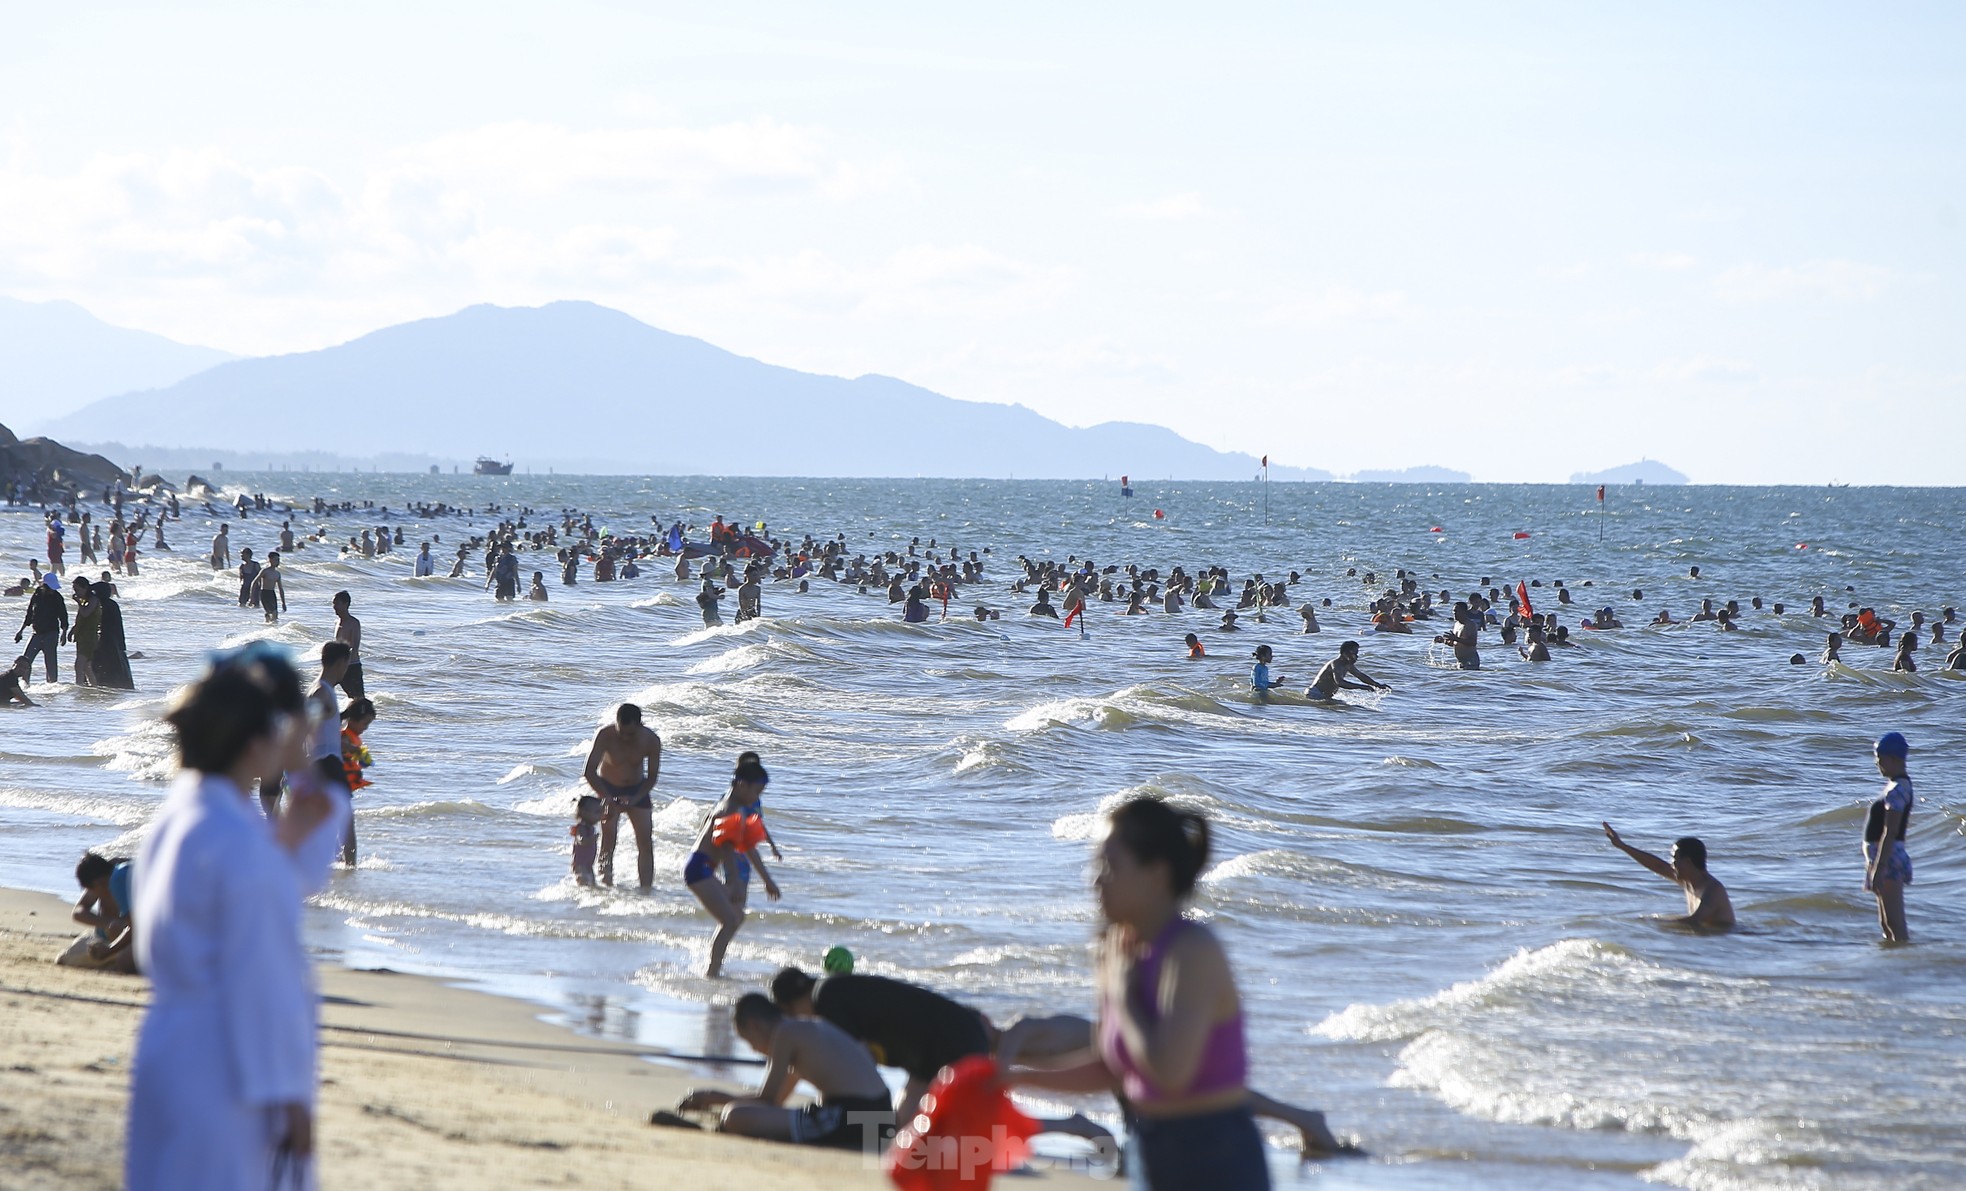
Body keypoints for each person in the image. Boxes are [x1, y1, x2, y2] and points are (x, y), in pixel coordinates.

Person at [126, 642, 349, 1191]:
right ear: (257, 743)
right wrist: (288, 1094)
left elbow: (255, 901)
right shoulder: (240, 847)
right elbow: (261, 977)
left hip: (172, 1045)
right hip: (230, 1069)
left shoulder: (185, 815)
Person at [1004, 797, 1269, 1190]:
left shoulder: (1191, 950)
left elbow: (1169, 1073)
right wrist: (1013, 1079)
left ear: (1156, 875)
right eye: (1095, 865)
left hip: (1215, 1154)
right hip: (1148, 1147)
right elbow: (1114, 1068)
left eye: (1109, 866)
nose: (1095, 880)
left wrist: (1126, 995)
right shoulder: (1115, 948)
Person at [771, 967, 993, 1129]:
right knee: (899, 1130)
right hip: (946, 1042)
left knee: (956, 1130)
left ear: (788, 1008)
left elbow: (854, 1062)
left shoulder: (826, 998)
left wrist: (773, 1101)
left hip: (953, 1040)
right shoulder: (834, 992)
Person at [674, 994, 892, 1150]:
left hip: (850, 1117)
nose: (755, 1050)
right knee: (741, 1113)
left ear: (755, 1026)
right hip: (879, 1117)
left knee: (735, 1116)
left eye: (750, 1042)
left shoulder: (785, 1033)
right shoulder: (806, 1028)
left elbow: (767, 1099)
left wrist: (711, 1097)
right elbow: (776, 1101)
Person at [683, 752, 780, 977]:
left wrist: (768, 881)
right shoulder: (729, 807)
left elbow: (748, 847)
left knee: (736, 917)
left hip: (704, 868)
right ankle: (712, 971)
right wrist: (735, 881)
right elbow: (726, 846)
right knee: (729, 920)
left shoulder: (739, 808)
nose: (756, 798)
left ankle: (714, 967)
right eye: (755, 791)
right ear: (740, 785)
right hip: (698, 868)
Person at [582, 703, 662, 890]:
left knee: (645, 842)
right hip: (608, 788)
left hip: (637, 790)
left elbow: (652, 777)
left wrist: (636, 798)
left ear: (640, 725)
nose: (625, 738)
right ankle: (605, 884)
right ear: (616, 723)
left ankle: (646, 890)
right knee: (608, 840)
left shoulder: (651, 740)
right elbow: (589, 771)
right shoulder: (605, 735)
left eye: (630, 734)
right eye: (621, 733)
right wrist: (606, 797)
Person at [1600, 824, 1735, 928]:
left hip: (1728, 940)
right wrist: (1622, 846)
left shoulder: (1713, 889)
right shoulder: (1688, 880)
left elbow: (1694, 921)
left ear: (1687, 862)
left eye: (1674, 859)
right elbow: (1658, 866)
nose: (1671, 864)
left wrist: (1653, 922)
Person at [1864, 732, 1914, 943]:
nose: (1877, 762)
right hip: (1881, 858)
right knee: (1886, 923)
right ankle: (1891, 965)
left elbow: (1890, 831)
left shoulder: (1898, 790)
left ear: (1894, 758)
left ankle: (1906, 966)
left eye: (1880, 757)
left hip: (1888, 859)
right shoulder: (1896, 786)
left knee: (1895, 923)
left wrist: (1880, 867)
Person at [60, 851, 137, 972]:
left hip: (130, 936)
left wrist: (109, 949)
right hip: (111, 935)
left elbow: (134, 926)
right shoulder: (105, 876)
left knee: (123, 961)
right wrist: (108, 923)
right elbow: (78, 912)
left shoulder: (117, 877)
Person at [338, 698, 376, 866]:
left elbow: (354, 761)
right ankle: (350, 864)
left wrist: (363, 760)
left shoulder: (352, 738)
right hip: (338, 785)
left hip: (342, 786)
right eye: (364, 724)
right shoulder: (344, 737)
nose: (365, 729)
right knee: (347, 825)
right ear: (352, 719)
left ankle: (341, 859)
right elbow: (338, 746)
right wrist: (355, 750)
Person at [15, 572, 68, 683]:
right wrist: (21, 631)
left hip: (51, 634)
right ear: (44, 586)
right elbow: (29, 614)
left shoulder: (57, 598)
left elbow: (63, 616)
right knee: (26, 660)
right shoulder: (37, 595)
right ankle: (25, 686)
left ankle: (52, 686)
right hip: (36, 633)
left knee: (50, 663)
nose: (52, 590)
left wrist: (64, 634)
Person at [89, 580, 134, 690]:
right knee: (115, 667)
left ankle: (98, 685)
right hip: (114, 641)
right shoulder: (112, 604)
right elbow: (119, 626)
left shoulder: (99, 604)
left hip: (102, 640)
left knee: (98, 666)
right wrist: (122, 644)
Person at [1307, 641, 1389, 700]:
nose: (1357, 656)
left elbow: (1360, 675)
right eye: (1355, 654)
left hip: (1325, 696)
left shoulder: (1348, 665)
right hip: (1315, 693)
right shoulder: (1336, 664)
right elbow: (1340, 682)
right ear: (1345, 653)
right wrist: (1361, 687)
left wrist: (1377, 685)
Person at [570, 795, 602, 886]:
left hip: (588, 864)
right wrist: (591, 839)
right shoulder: (582, 827)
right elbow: (581, 840)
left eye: (600, 812)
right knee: (584, 885)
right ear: (584, 813)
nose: (600, 816)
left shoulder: (590, 827)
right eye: (597, 812)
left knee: (592, 885)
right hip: (580, 864)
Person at [250, 552, 286, 623]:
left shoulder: (277, 574)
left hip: (272, 594)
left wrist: (283, 602)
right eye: (276, 560)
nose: (278, 562)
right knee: (273, 613)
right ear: (270, 560)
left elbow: (280, 589)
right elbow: (254, 582)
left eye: (278, 560)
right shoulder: (265, 571)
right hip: (264, 593)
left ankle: (268, 626)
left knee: (273, 614)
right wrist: (252, 596)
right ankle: (271, 626)